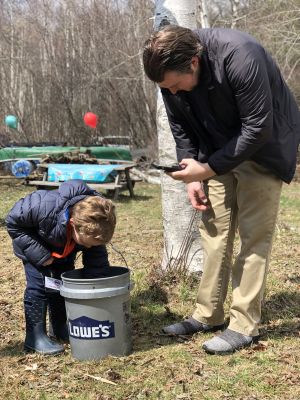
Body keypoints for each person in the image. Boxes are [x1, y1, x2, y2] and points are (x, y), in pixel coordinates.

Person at [143, 25, 300, 354]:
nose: (171, 93)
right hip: (215, 151)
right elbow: (180, 125)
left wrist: (209, 168)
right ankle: (208, 314)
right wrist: (193, 173)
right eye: (165, 88)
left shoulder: (241, 55)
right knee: (214, 232)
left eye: (175, 85)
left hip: (263, 149)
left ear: (194, 63)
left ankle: (244, 324)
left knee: (253, 237)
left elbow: (258, 126)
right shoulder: (168, 74)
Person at [6, 179, 116, 355]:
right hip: (35, 248)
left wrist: (98, 293)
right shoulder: (42, 205)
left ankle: (59, 328)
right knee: (39, 287)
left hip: (64, 249)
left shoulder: (95, 226)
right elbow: (13, 222)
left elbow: (97, 265)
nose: (89, 248)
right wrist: (41, 254)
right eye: (87, 244)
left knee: (60, 286)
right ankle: (35, 338)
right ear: (73, 225)